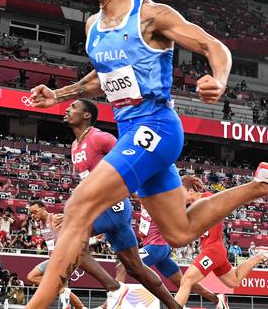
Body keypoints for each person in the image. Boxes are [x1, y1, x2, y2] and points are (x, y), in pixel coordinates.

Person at [26, 0, 268, 306]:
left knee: (78, 207)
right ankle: (263, 184)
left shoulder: (150, 16)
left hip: (157, 127)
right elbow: (102, 76)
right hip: (133, 132)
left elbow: (215, 47)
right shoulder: (92, 26)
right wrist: (59, 95)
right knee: (179, 232)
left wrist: (219, 79)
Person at [64, 98, 185, 308]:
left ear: (87, 115)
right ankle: (176, 307)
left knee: (68, 240)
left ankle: (114, 288)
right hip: (102, 209)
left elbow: (135, 158)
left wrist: (146, 187)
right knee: (135, 268)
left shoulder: (100, 138)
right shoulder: (75, 146)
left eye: (73, 106)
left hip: (113, 206)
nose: (67, 108)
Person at [174, 176, 268, 307]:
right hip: (215, 250)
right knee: (234, 280)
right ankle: (261, 255)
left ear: (191, 191)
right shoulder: (193, 206)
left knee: (187, 279)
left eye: (181, 192)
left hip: (213, 249)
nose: (179, 197)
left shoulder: (208, 198)